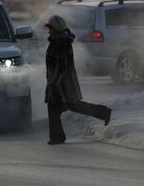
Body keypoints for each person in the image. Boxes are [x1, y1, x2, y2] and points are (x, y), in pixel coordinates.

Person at [44, 15, 111, 145]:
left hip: (62, 85)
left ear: (57, 28)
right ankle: (103, 112)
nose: (49, 31)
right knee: (69, 107)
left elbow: (62, 66)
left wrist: (54, 82)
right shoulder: (58, 40)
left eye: (50, 28)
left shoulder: (61, 42)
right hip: (62, 83)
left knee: (61, 108)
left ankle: (57, 138)